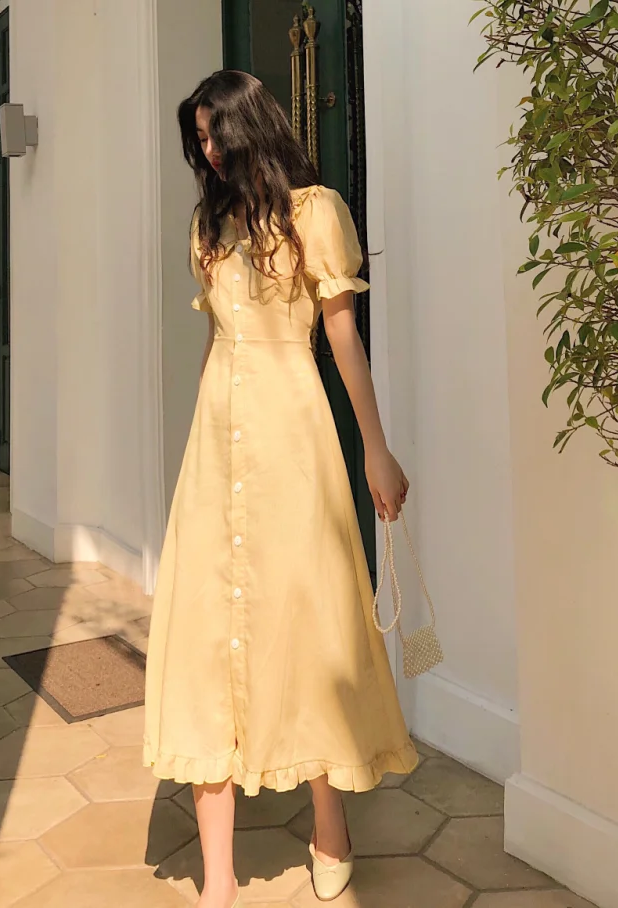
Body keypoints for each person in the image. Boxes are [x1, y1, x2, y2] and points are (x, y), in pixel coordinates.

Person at [143, 70, 418, 908]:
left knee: (307, 622)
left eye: (215, 133)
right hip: (216, 446)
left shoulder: (316, 213)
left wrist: (376, 450)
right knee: (205, 636)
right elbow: (216, 346)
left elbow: (342, 336)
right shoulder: (208, 225)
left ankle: (330, 825)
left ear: (249, 127)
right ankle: (219, 878)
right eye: (197, 138)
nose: (207, 150)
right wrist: (197, 446)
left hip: (294, 438)